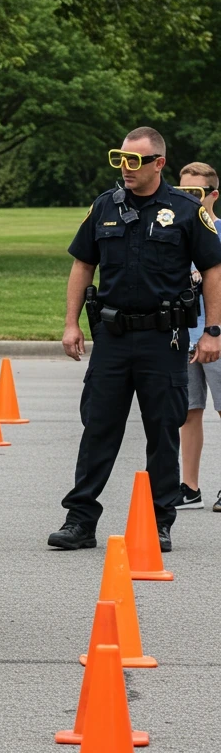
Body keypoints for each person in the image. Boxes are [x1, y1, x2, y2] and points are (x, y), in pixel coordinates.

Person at [51, 126, 221, 553]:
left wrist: (214, 330)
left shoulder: (186, 209)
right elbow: (82, 265)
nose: (125, 168)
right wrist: (71, 323)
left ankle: (159, 521)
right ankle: (80, 520)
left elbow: (214, 270)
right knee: (98, 427)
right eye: (120, 159)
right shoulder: (104, 206)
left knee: (162, 430)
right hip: (112, 336)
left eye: (135, 161)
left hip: (164, 339)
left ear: (158, 163)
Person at [173, 162, 221, 510]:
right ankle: (189, 487)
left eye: (195, 193)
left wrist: (213, 333)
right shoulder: (174, 233)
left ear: (213, 196)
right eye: (182, 192)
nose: (187, 199)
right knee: (188, 412)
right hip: (183, 337)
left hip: (216, 337)